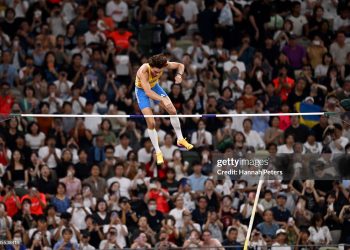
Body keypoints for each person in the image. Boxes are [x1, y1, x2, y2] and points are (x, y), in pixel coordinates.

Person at [135, 54, 193, 164]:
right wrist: (162, 100)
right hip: (142, 91)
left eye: (159, 72)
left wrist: (179, 75)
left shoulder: (164, 64)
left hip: (155, 87)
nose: (156, 73)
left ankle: (180, 139)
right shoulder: (144, 71)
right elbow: (148, 92)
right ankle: (158, 151)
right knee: (151, 122)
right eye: (155, 72)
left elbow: (180, 65)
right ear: (151, 66)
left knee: (173, 111)